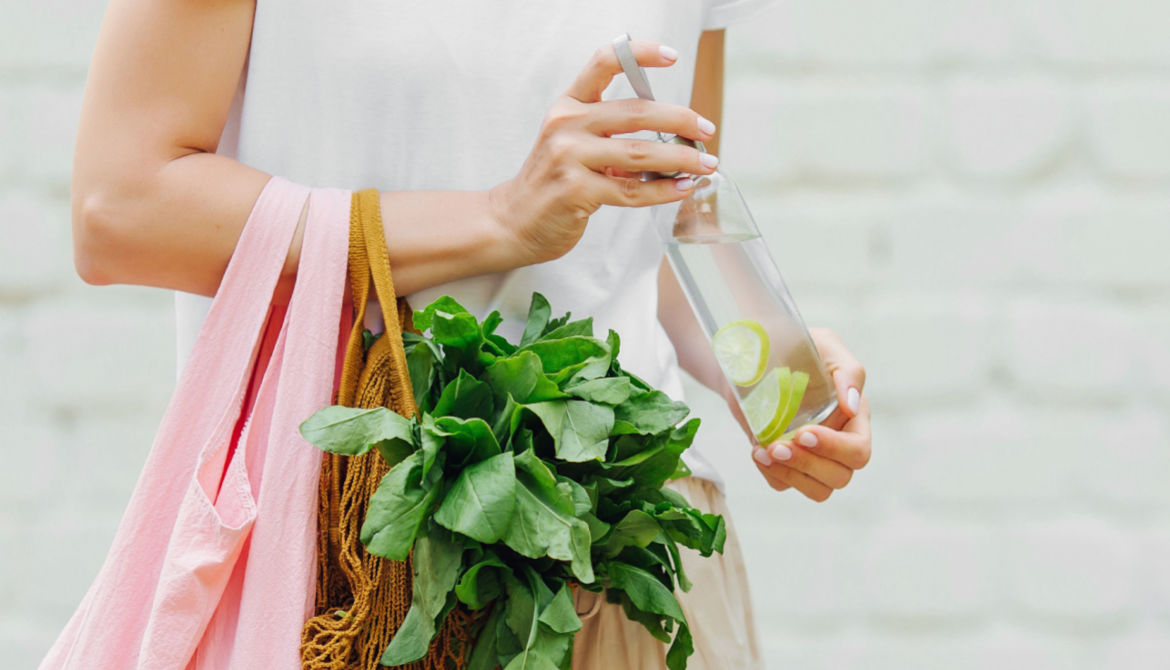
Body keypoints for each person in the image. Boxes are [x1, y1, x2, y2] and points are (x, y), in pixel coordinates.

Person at [68, 0, 871, 667]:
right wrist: (495, 219)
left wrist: (773, 368)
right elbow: (121, 208)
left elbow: (654, 235)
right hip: (356, 561)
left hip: (627, 557)